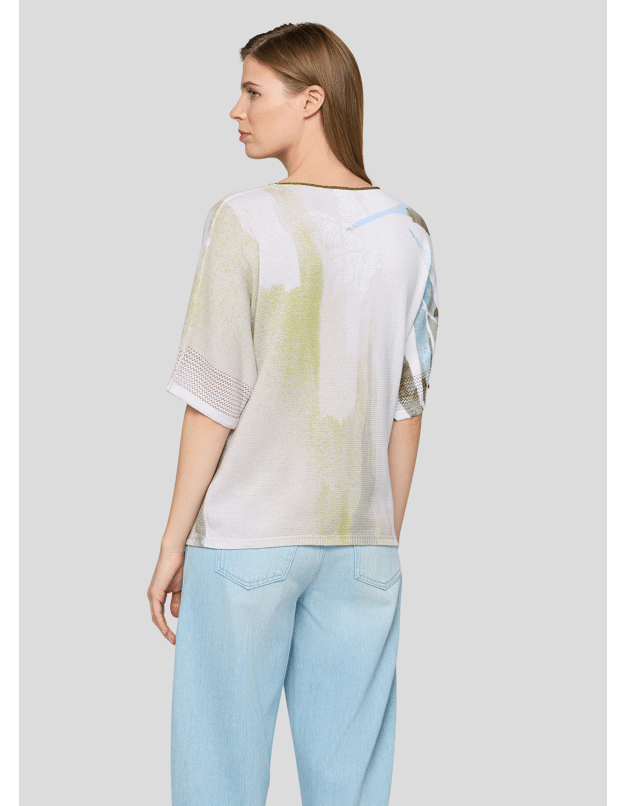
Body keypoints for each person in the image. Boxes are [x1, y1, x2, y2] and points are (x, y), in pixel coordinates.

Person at [147, 21, 439, 806]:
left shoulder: (243, 219)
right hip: (363, 543)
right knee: (352, 788)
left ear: (311, 100)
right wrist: (380, 540)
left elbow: (214, 396)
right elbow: (407, 407)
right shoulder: (409, 233)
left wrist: (174, 542)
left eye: (252, 91)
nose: (235, 110)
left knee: (219, 782)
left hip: (245, 540)